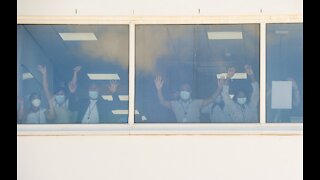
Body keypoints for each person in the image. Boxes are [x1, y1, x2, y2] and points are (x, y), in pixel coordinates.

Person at [154, 75, 222, 123]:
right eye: (182, 90)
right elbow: (162, 101)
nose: (184, 91)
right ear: (180, 92)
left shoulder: (197, 103)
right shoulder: (174, 104)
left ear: (190, 92)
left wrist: (219, 88)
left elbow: (212, 99)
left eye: (186, 90)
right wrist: (159, 89)